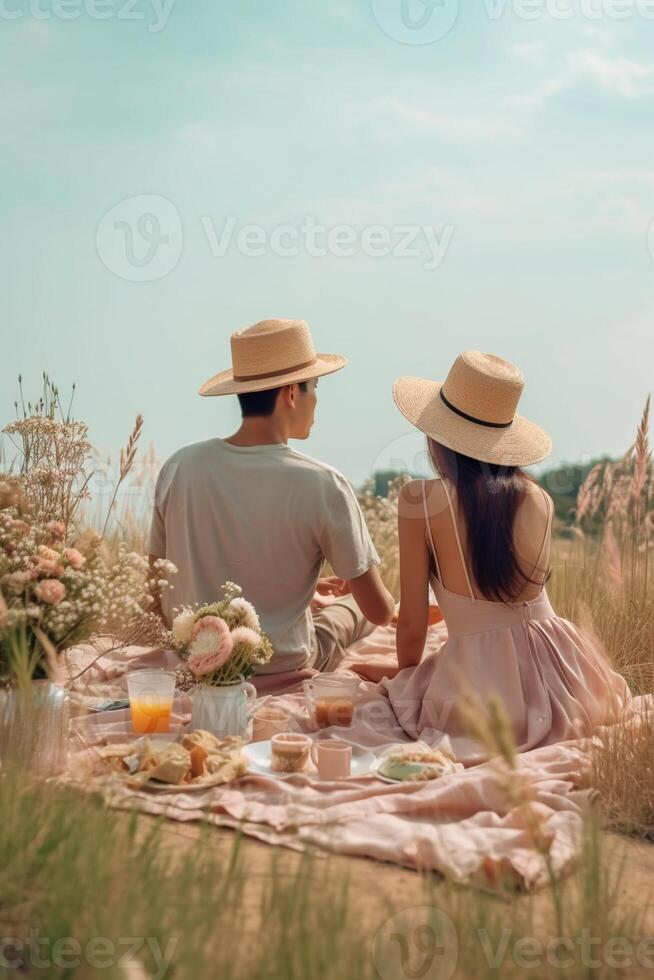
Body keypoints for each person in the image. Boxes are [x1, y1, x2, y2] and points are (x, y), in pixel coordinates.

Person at [359, 350, 630, 763]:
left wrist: (408, 680)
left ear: (438, 436)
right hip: (568, 674)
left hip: (482, 686)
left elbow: (412, 621)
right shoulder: (540, 499)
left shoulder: (420, 499)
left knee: (377, 689)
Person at [148, 318, 395, 676]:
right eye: (315, 387)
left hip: (196, 662)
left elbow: (155, 589)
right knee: (350, 609)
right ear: (292, 393)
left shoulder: (179, 466)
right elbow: (379, 611)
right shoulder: (325, 484)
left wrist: (304, 593)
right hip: (284, 664)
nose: (317, 401)